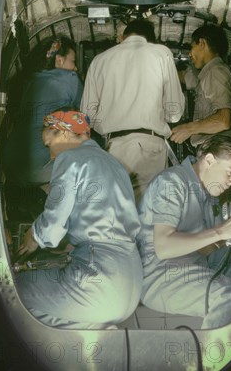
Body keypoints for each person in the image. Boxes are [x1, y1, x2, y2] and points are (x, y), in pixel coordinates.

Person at [16, 109, 143, 329]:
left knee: (12, 290)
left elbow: (53, 225)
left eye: (49, 145)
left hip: (99, 278)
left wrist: (33, 235)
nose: (50, 155)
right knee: (60, 317)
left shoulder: (70, 158)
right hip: (131, 285)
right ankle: (96, 335)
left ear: (63, 134)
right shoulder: (115, 165)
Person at [136, 135, 231, 329]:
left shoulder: (206, 194)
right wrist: (219, 231)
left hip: (198, 264)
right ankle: (213, 357)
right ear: (209, 161)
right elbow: (163, 247)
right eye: (230, 172)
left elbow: (207, 247)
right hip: (161, 275)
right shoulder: (172, 183)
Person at [81, 19, 185, 202]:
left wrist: (110, 124)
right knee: (147, 215)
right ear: (151, 40)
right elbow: (174, 112)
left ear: (123, 37)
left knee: (117, 213)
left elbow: (87, 116)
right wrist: (160, 115)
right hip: (150, 146)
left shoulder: (100, 60)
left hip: (113, 148)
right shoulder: (161, 54)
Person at [2, 35, 83, 189]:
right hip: (39, 167)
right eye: (73, 62)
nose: (76, 68)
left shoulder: (28, 81)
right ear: (59, 60)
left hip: (10, 164)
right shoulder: (70, 78)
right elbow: (88, 117)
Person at [170, 24, 231, 148]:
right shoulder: (211, 73)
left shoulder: (215, 73)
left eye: (191, 47)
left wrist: (188, 129)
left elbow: (224, 120)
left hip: (216, 152)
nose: (189, 54)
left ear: (202, 43)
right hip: (217, 151)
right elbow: (184, 77)